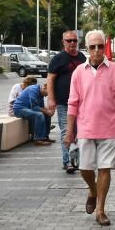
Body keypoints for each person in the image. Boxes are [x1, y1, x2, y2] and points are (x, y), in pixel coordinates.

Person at [65, 30, 115, 227]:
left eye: (100, 46)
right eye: (92, 47)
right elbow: (72, 102)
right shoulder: (78, 72)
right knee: (85, 168)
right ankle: (92, 190)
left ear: (104, 47)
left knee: (104, 169)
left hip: (110, 128)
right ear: (87, 48)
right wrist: (69, 130)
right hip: (85, 127)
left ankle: (101, 209)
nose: (97, 50)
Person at [47, 30, 87, 173]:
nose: (72, 43)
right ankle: (67, 161)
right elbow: (50, 79)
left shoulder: (82, 58)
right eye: (69, 40)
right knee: (66, 130)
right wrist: (51, 99)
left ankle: (77, 159)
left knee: (78, 131)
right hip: (64, 102)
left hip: (82, 103)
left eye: (74, 40)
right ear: (63, 42)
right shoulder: (58, 59)